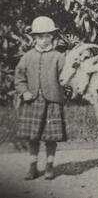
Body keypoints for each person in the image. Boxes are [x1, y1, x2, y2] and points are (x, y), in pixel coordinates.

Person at [15, 16, 66, 180]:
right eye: (39, 36)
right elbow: (19, 78)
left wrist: (67, 90)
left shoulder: (59, 57)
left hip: (52, 101)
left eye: (46, 36)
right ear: (34, 37)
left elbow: (66, 78)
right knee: (33, 136)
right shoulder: (28, 56)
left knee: (51, 136)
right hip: (33, 101)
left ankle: (50, 166)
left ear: (52, 36)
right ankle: (32, 166)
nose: (43, 40)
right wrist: (24, 92)